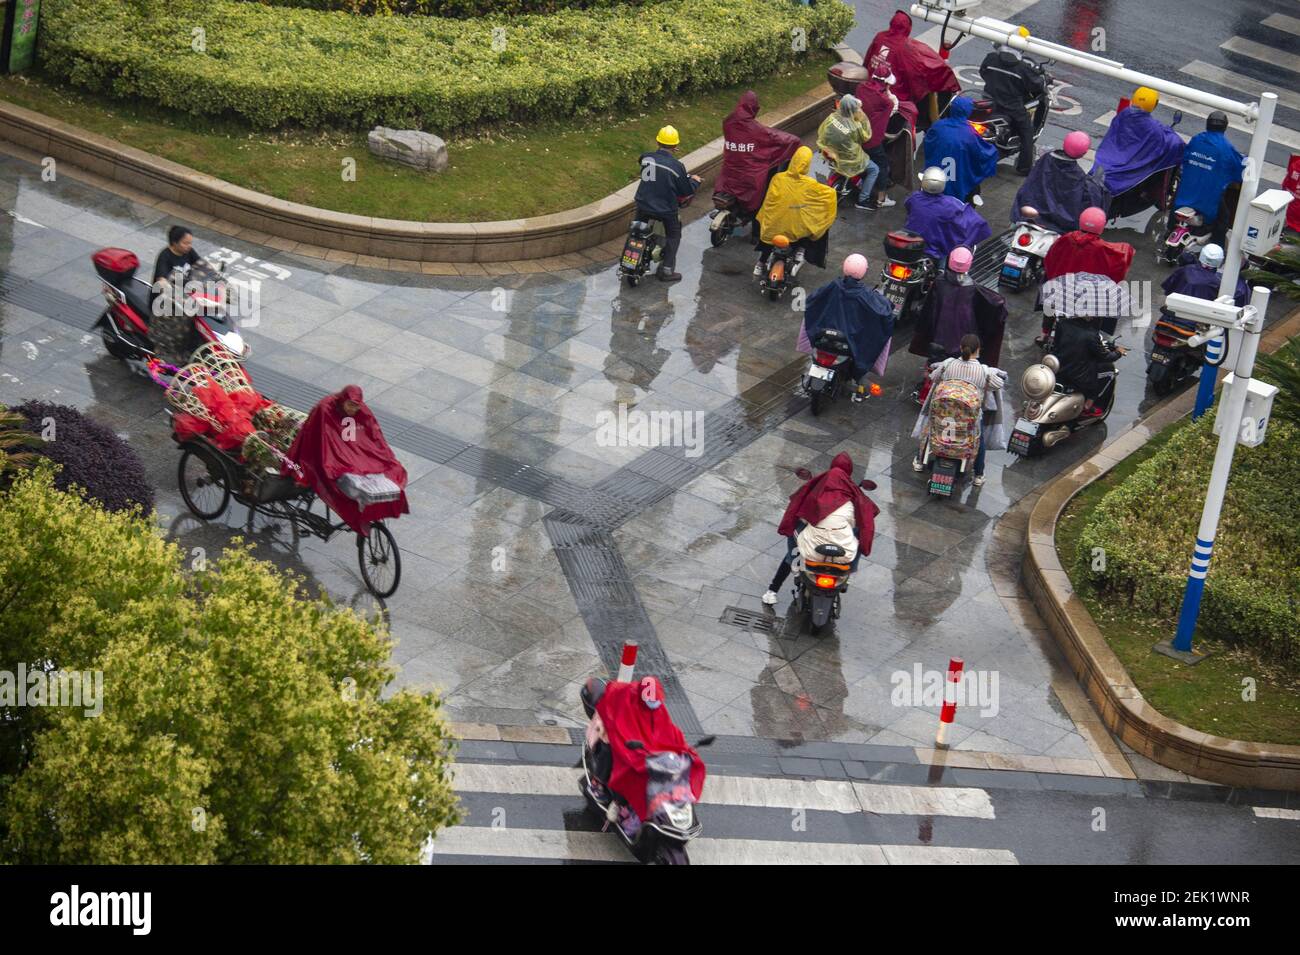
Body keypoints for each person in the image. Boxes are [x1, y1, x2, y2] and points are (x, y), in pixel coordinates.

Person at [283, 385, 410, 533]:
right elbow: (320, 438)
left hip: (350, 451)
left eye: (356, 406)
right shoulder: (325, 408)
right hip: (325, 452)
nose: (353, 410)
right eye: (350, 405)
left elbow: (374, 436)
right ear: (342, 400)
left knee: (383, 468)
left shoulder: (362, 412)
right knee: (336, 477)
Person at [761, 452, 879, 606]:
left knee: (794, 533)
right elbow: (861, 524)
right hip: (844, 554)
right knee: (859, 535)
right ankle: (849, 571)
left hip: (811, 550)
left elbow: (801, 515)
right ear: (849, 473)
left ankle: (778, 584)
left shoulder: (815, 494)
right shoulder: (852, 500)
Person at [593, 675, 705, 832]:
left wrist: (684, 749)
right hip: (623, 743)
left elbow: (668, 730)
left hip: (646, 750)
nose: (653, 706)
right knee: (628, 773)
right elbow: (622, 727)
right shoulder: (626, 701)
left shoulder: (656, 708)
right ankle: (615, 800)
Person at [912, 333, 1006, 486]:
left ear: (961, 348)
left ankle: (919, 460)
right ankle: (978, 474)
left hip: (943, 415)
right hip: (969, 419)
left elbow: (933, 377)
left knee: (930, 428)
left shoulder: (948, 364)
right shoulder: (984, 371)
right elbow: (999, 384)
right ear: (979, 350)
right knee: (979, 438)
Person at [803, 254, 896, 402]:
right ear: (864, 272)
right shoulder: (867, 296)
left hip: (824, 337)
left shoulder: (832, 286)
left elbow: (813, 300)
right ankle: (859, 386)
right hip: (850, 343)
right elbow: (884, 313)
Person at [909, 246, 1008, 368]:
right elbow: (993, 304)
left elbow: (928, 309)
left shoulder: (939, 282)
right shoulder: (972, 289)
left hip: (938, 337)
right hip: (962, 341)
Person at [754, 145, 837, 278]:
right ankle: (802, 250)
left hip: (773, 227)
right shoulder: (811, 184)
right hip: (794, 231)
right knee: (812, 225)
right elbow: (829, 194)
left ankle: (760, 263)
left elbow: (769, 201)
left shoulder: (778, 178)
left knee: (769, 233)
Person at [714, 90, 803, 215]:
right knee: (763, 196)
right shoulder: (755, 129)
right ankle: (757, 228)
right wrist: (795, 141)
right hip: (750, 173)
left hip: (730, 168)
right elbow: (774, 137)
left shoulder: (728, 122)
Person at [865, 10, 960, 125]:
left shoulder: (880, 36)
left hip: (871, 86)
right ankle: (933, 126)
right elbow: (913, 74)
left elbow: (868, 59)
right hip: (894, 94)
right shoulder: (906, 48)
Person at [634, 125, 701, 283]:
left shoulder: (646, 157)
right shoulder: (677, 167)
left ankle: (630, 258)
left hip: (643, 202)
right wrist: (695, 182)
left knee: (636, 229)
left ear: (658, 141)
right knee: (674, 235)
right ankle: (666, 270)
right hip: (665, 209)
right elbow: (685, 191)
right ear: (675, 146)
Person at [1091, 86, 1184, 198]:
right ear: (1153, 105)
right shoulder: (1153, 129)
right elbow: (1170, 142)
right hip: (1124, 172)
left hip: (1105, 162)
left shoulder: (1124, 114)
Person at [1013, 130, 1110, 234]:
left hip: (1029, 216)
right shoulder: (1079, 177)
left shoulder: (1045, 160)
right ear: (1084, 153)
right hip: (1059, 226)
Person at [1171, 111, 1243, 246]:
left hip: (1186, 192)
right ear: (1225, 127)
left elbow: (1185, 158)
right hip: (1208, 199)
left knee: (1174, 205)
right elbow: (1238, 168)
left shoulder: (1196, 139)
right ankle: (1217, 248)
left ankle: (1170, 229)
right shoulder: (1226, 148)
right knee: (1224, 217)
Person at [979, 42, 1048, 175]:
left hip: (988, 102)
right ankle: (1024, 168)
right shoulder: (1022, 68)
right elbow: (1036, 85)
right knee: (1028, 133)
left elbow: (983, 72)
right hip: (1012, 107)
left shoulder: (991, 58)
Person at [854, 60, 914, 210]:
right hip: (872, 140)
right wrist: (887, 92)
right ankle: (881, 198)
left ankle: (861, 180)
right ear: (887, 83)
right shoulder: (887, 102)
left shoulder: (861, 88)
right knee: (882, 165)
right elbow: (891, 108)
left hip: (856, 134)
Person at [922, 97, 1000, 205]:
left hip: (935, 174)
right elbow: (982, 152)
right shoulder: (969, 133)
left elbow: (928, 144)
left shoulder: (938, 126)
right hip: (958, 177)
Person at [904, 166, 992, 261]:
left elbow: (908, 207)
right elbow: (975, 222)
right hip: (933, 250)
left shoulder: (914, 197)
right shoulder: (950, 204)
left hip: (911, 242)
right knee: (946, 255)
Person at [1052, 316, 1128, 416]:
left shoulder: (1062, 324)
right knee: (1109, 370)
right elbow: (1105, 356)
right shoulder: (1091, 334)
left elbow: (1055, 346)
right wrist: (1118, 352)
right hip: (1079, 377)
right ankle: (1088, 405)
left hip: (1058, 370)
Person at [816, 95, 879, 210]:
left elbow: (822, 131)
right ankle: (863, 200)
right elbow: (865, 137)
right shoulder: (855, 127)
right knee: (874, 169)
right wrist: (863, 118)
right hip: (849, 158)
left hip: (830, 152)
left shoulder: (832, 117)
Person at [1043, 206, 1134, 282]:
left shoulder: (1066, 238)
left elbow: (1050, 259)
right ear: (1102, 226)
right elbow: (1119, 261)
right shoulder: (1101, 248)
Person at [1162, 243, 1250, 307]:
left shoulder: (1185, 270)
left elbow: (1168, 290)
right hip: (1194, 327)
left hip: (1168, 318)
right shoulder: (1218, 284)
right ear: (1220, 261)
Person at [153, 224, 203, 289]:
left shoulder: (189, 251)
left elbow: (202, 265)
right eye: (185, 243)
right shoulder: (164, 256)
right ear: (175, 243)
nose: (189, 246)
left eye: (190, 243)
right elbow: (161, 280)